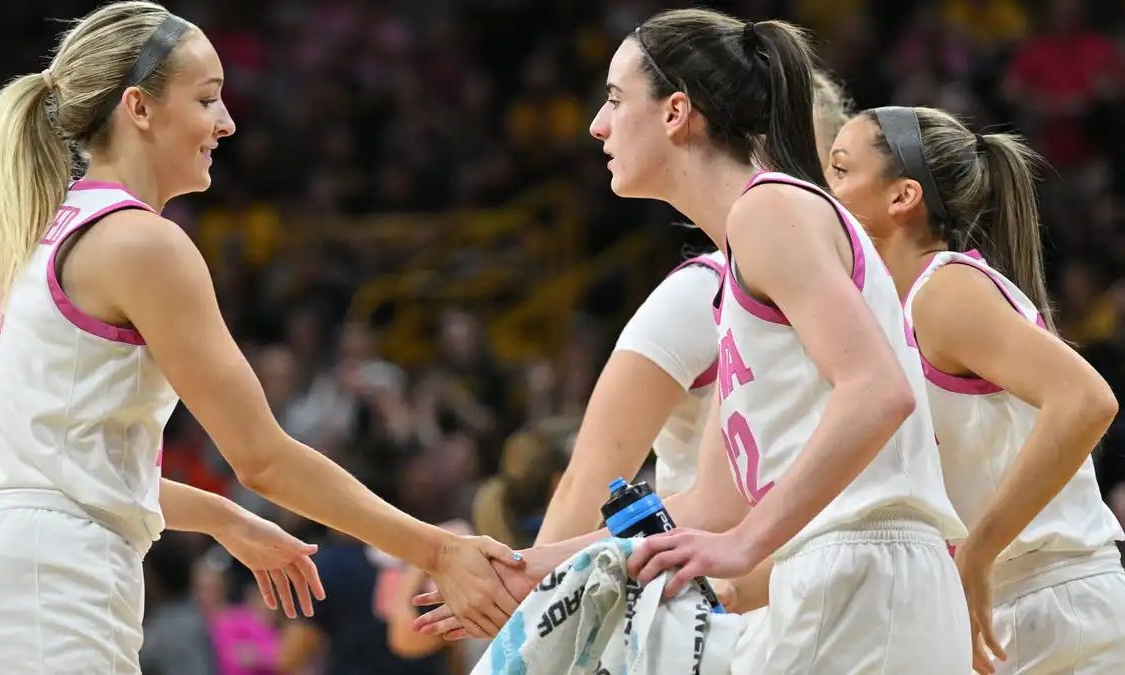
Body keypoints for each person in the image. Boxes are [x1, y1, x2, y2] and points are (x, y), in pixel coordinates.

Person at [0, 3, 520, 673]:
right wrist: (435, 549)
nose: (226, 121)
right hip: (45, 583)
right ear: (140, 108)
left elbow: (69, 470)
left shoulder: (51, 232)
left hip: (17, 573)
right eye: (207, 98)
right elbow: (261, 457)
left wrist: (224, 518)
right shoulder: (141, 242)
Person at [414, 10, 970, 673]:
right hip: (847, 576)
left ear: (677, 112)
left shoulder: (770, 209)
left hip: (858, 572)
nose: (596, 123)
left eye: (617, 100)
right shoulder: (733, 266)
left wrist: (744, 543)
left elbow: (879, 392)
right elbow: (713, 501)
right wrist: (526, 565)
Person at [532, 68, 853, 673]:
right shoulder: (698, 294)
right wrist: (533, 633)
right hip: (709, 620)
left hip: (815, 595)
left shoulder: (858, 290)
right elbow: (589, 484)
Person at [827, 106, 1125, 674]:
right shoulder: (900, 307)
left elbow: (1087, 400)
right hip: (1013, 605)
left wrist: (978, 553)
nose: (824, 190)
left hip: (1048, 598)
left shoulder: (945, 290)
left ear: (902, 197)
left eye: (840, 170)